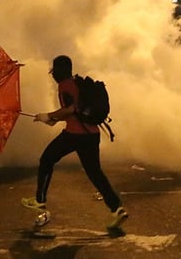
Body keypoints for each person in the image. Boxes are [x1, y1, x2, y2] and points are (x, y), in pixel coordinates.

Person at [22, 55, 128, 230]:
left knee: (46, 160)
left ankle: (39, 200)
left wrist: (48, 116)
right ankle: (117, 209)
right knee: (95, 174)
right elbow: (76, 110)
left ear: (57, 71)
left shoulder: (64, 85)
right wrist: (54, 118)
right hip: (92, 134)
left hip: (75, 135)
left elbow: (70, 109)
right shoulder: (77, 81)